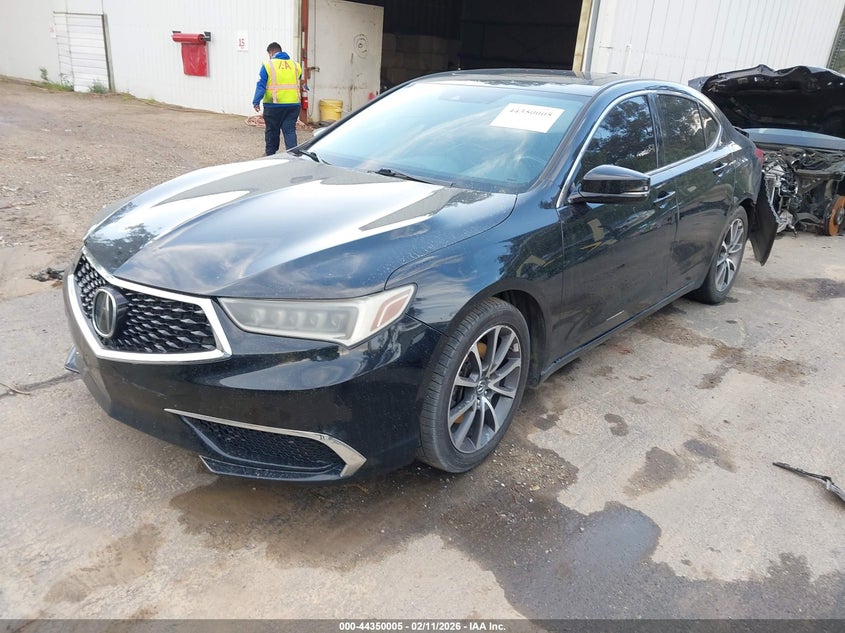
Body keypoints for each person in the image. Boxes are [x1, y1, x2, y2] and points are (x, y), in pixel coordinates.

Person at [252, 42, 303, 155]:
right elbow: (300, 78)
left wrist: (256, 101)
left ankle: (270, 155)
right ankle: (293, 155)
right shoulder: (295, 65)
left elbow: (261, 85)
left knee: (272, 131)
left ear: (271, 53)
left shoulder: (268, 65)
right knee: (289, 131)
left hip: (274, 105)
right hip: (293, 105)